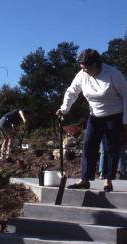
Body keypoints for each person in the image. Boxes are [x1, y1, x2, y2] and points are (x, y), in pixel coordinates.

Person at [56, 48, 127, 192]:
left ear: (96, 64)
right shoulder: (82, 75)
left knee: (109, 149)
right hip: (95, 116)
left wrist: (125, 122)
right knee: (88, 145)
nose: (83, 70)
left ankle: (108, 181)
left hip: (114, 116)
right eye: (81, 67)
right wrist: (64, 109)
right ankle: (85, 179)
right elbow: (72, 91)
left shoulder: (113, 74)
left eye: (86, 67)